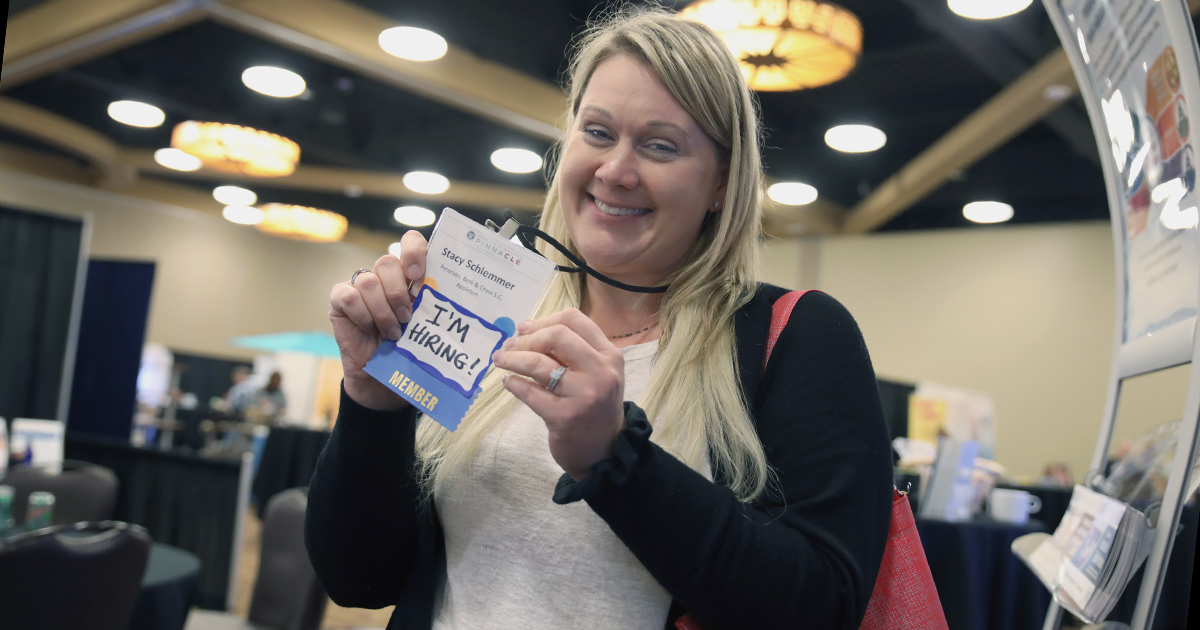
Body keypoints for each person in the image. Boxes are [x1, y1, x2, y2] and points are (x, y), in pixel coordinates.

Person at [306, 8, 893, 630]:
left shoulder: (796, 336)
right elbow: (358, 579)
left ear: (722, 181)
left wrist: (614, 458)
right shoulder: (493, 312)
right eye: (598, 132)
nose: (615, 171)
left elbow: (822, 607)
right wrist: (373, 404)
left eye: (660, 146)